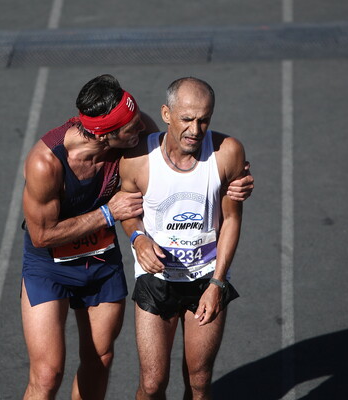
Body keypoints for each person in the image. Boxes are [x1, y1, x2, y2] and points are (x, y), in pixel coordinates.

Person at [21, 74, 253, 400]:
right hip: (51, 265)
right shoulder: (46, 163)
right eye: (130, 127)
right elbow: (41, 235)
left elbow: (184, 151)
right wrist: (107, 214)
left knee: (100, 359)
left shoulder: (134, 132)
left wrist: (237, 179)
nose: (142, 128)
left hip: (101, 262)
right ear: (105, 135)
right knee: (47, 375)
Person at [120, 77, 246, 400]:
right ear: (166, 113)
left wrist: (218, 284)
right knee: (151, 385)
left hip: (206, 277)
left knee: (199, 382)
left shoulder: (227, 153)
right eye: (187, 119)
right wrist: (137, 238)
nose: (195, 129)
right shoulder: (138, 160)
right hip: (157, 278)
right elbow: (127, 210)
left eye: (204, 120)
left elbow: (231, 220)